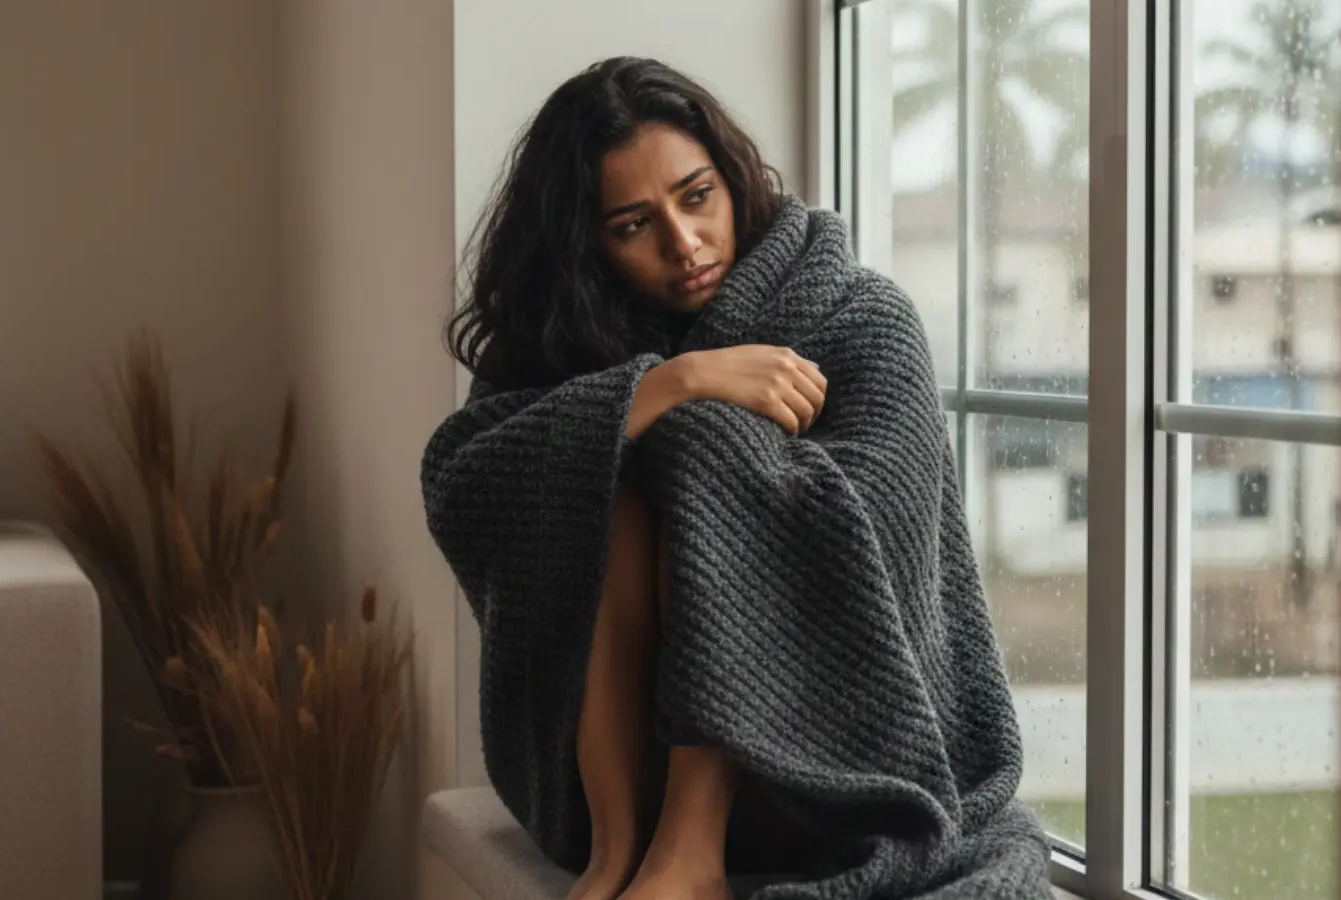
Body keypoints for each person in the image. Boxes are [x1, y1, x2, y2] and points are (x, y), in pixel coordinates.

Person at [422, 57, 1050, 900]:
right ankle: (618, 852)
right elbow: (462, 482)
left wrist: (708, 445)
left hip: (832, 762)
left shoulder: (862, 316)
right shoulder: (564, 344)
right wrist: (663, 386)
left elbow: (886, 540)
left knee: (702, 447)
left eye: (696, 196)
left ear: (734, 179)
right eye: (633, 225)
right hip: (607, 780)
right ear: (586, 242)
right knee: (612, 454)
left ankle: (691, 853)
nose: (683, 244)